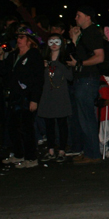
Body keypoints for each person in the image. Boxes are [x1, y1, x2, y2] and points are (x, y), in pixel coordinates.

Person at [0, 27, 44, 169]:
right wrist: (1, 56)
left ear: (29, 41)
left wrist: (34, 99)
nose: (18, 40)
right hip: (14, 96)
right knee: (13, 127)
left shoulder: (34, 55)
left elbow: (38, 79)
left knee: (27, 127)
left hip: (27, 97)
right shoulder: (13, 55)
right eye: (18, 37)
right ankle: (18, 154)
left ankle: (31, 157)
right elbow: (3, 72)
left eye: (22, 38)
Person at [68, 6, 105, 165]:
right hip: (82, 78)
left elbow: (99, 57)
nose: (76, 18)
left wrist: (80, 64)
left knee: (87, 117)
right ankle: (88, 151)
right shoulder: (85, 34)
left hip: (87, 79)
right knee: (82, 118)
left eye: (79, 15)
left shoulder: (92, 33)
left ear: (88, 17)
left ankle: (93, 153)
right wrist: (75, 40)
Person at [38, 33, 72, 162]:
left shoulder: (65, 58)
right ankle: (50, 150)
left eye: (56, 42)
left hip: (61, 94)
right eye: (51, 41)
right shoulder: (44, 58)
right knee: (49, 124)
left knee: (62, 123)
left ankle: (62, 150)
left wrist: (58, 65)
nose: (53, 44)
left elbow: (70, 77)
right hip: (47, 94)